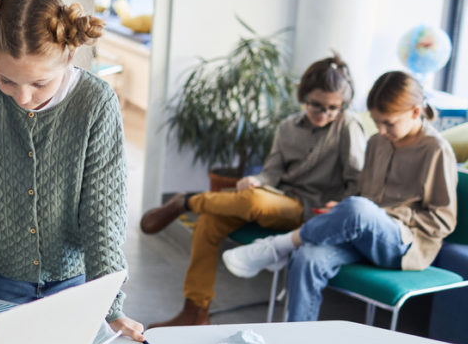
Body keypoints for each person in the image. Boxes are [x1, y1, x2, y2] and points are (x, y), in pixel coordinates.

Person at [0, 0, 144, 342]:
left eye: (39, 84)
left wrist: (111, 307)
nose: (22, 98)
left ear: (69, 59)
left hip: (76, 287)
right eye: (6, 80)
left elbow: (103, 213)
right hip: (1, 287)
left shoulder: (95, 104)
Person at [139, 55, 366, 327]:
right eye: (317, 105)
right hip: (278, 198)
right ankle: (195, 312)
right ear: (303, 95)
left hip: (312, 211)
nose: (325, 113)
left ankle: (185, 201)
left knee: (254, 201)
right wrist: (257, 179)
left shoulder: (348, 127)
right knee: (210, 222)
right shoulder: (287, 127)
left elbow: (357, 180)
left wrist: (338, 206)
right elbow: (272, 171)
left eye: (333, 108)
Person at [222, 71, 457, 322]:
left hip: (403, 245)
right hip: (363, 234)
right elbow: (363, 193)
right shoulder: (378, 141)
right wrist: (343, 210)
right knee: (307, 257)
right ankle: (295, 341)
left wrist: (371, 213)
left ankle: (279, 246)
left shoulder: (436, 150)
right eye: (377, 122)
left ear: (415, 111)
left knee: (358, 209)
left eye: (389, 123)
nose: (381, 130)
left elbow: (442, 220)